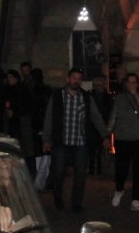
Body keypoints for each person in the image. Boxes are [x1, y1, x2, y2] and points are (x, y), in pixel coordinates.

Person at [42, 67, 108, 214]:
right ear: (68, 79)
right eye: (74, 78)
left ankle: (76, 203)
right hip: (61, 142)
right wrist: (46, 139)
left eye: (79, 79)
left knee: (80, 175)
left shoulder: (86, 98)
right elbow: (49, 118)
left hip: (80, 142)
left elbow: (96, 117)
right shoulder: (57, 96)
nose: (76, 81)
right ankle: (58, 197)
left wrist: (105, 135)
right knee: (59, 172)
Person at [108, 72, 139, 211]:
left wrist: (136, 96)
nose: (132, 84)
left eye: (134, 82)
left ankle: (136, 199)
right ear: (125, 84)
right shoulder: (119, 99)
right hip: (122, 138)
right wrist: (107, 134)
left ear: (138, 84)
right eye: (129, 82)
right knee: (121, 168)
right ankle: (119, 190)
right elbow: (113, 116)